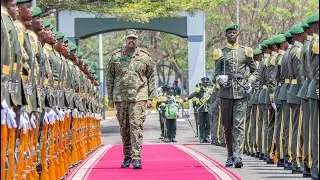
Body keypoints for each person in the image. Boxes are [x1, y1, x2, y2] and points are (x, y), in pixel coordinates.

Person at [107, 30, 155, 169]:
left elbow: (151, 77)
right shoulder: (116, 57)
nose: (131, 41)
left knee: (136, 126)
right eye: (129, 38)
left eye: (134, 38)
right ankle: (127, 156)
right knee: (124, 127)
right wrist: (110, 97)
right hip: (120, 98)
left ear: (137, 40)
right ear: (125, 40)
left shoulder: (145, 57)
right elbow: (110, 78)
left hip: (139, 97)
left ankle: (137, 157)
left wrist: (151, 97)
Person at [213, 24, 258, 168]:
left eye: (234, 32)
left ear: (237, 34)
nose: (232, 35)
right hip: (225, 93)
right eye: (229, 33)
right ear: (225, 35)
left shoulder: (246, 52)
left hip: (241, 93)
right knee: (227, 127)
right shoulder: (220, 52)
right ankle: (230, 155)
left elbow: (254, 71)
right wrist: (219, 79)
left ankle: (238, 156)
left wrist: (249, 82)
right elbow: (216, 72)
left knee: (239, 125)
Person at [185, 77, 213, 143]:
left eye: (207, 82)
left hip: (208, 109)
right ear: (202, 83)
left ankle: (207, 137)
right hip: (201, 109)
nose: (206, 83)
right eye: (204, 82)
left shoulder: (211, 90)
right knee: (201, 124)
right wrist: (185, 100)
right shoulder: (198, 89)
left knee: (208, 124)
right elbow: (192, 95)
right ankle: (202, 137)